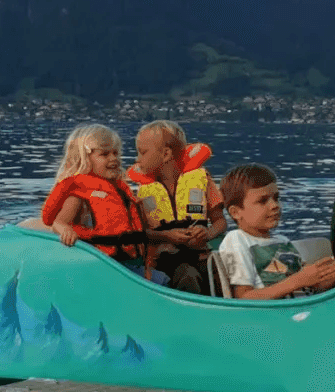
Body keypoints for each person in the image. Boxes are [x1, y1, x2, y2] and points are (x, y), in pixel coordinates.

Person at [40, 123, 157, 278]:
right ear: (84, 159)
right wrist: (65, 230)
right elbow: (58, 222)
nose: (113, 158)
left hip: (129, 262)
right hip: (102, 265)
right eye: (104, 154)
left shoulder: (120, 190)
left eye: (115, 153)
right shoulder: (78, 196)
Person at [216, 163, 335, 300]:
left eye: (276, 198)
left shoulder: (282, 241)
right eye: (262, 201)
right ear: (235, 212)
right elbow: (244, 298)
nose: (274, 205)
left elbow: (316, 286)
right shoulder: (237, 240)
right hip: (274, 312)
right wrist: (298, 280)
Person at [127, 120, 226, 293]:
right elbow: (142, 234)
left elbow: (220, 222)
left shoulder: (201, 180)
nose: (137, 160)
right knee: (187, 275)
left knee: (220, 273)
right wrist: (167, 236)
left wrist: (207, 233)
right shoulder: (143, 193)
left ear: (166, 154)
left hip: (201, 256)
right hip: (165, 261)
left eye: (142, 153)